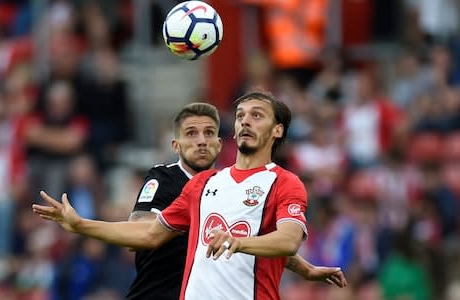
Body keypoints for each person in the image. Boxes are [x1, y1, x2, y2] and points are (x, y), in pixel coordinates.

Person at [33, 94, 347, 300]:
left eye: (257, 115)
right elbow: (149, 232)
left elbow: (287, 240)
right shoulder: (202, 184)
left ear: (277, 130)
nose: (246, 121)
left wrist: (247, 245)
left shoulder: (285, 182)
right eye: (240, 116)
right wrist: (81, 224)